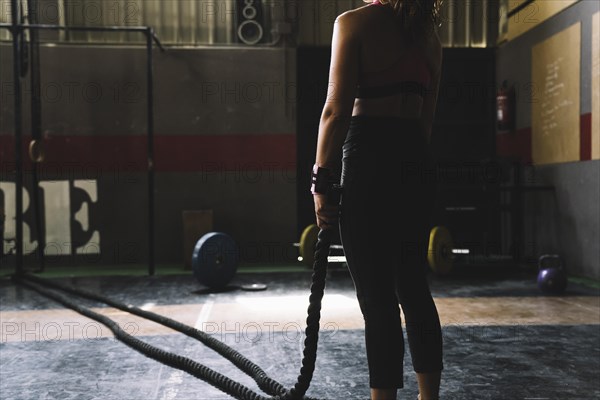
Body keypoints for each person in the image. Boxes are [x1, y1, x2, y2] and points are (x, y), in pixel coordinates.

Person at [310, 1, 444, 399]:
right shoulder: (429, 37)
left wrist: (320, 180)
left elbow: (335, 110)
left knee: (377, 298)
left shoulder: (352, 23)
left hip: (368, 157)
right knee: (415, 289)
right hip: (415, 158)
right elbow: (426, 120)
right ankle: (429, 397)